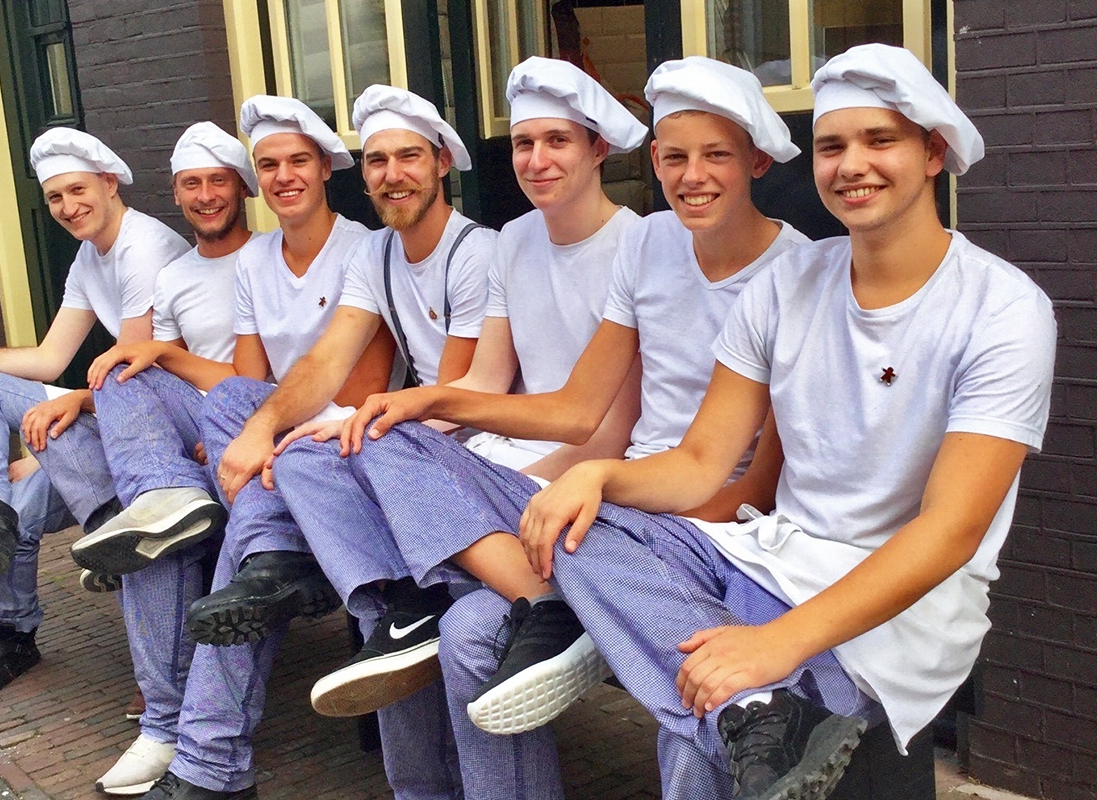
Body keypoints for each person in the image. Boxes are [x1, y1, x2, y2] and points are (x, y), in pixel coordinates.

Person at [523, 44, 1056, 799]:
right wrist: (598, 476)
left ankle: (676, 659)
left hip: (905, 606)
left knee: (694, 735)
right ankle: (746, 701)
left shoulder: (1003, 310)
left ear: (934, 152)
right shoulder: (788, 284)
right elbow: (701, 463)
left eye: (880, 140)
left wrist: (777, 645)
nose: (851, 165)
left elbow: (950, 531)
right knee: (588, 527)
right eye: (832, 146)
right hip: (772, 557)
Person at [286, 57, 806, 800]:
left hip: (692, 520)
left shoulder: (796, 274)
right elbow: (576, 407)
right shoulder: (649, 245)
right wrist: (427, 403)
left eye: (715, 155)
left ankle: (536, 598)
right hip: (616, 499)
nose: (692, 176)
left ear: (756, 160)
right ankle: (467, 607)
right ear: (653, 162)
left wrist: (630, 531)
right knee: (457, 612)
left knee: (686, 687)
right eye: (674, 157)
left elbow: (751, 478)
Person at [140, 88, 491, 800]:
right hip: (370, 439)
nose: (392, 174)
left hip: (434, 443)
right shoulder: (379, 254)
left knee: (256, 527)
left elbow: (449, 396)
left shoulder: (468, 251)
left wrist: (297, 436)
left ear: (441, 163)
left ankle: (206, 756)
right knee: (239, 412)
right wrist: (262, 428)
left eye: (408, 157)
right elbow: (319, 363)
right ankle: (273, 555)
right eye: (380, 160)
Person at [274, 56, 649, 724]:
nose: (536, 160)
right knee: (329, 447)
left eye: (557, 141)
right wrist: (379, 421)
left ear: (598, 149)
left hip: (576, 475)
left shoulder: (638, 246)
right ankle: (405, 601)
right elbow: (484, 381)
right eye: (524, 143)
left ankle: (519, 608)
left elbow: (604, 432)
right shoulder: (514, 240)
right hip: (503, 457)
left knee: (395, 462)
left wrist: (444, 447)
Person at [0, 129, 189, 701]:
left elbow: (135, 379)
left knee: (15, 492)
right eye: (54, 197)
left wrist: (63, 413)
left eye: (77, 190)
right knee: (7, 492)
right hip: (114, 415)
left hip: (156, 434)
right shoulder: (90, 257)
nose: (67, 207)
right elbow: (51, 358)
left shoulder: (143, 248)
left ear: (109, 183)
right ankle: (3, 600)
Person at [35, 121, 255, 795]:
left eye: (218, 181)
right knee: (115, 384)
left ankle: (165, 726)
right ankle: (145, 508)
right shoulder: (178, 274)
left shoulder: (268, 260)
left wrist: (220, 416)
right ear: (177, 194)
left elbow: (258, 379)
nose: (206, 195)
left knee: (151, 534)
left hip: (252, 424)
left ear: (243, 188)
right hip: (191, 431)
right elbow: (153, 377)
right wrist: (89, 392)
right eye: (192, 184)